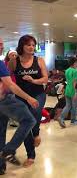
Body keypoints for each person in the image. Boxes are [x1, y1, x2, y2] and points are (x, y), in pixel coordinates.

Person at [9, 35, 48, 167]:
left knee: (35, 113)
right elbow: (6, 78)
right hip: (21, 96)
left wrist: (33, 80)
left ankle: (36, 133)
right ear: (22, 46)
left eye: (33, 45)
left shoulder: (39, 60)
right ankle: (31, 155)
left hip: (38, 94)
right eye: (28, 45)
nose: (31, 47)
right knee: (25, 123)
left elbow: (45, 79)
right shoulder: (15, 62)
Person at [0, 38, 38, 175]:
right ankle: (9, 150)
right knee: (29, 120)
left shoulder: (38, 61)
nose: (1, 47)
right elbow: (10, 84)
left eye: (2, 45)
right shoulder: (3, 64)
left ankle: (0, 166)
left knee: (1, 131)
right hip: (6, 99)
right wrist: (28, 98)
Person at [58, 57, 77, 128]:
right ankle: (72, 120)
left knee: (68, 105)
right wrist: (76, 92)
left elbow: (68, 80)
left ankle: (68, 119)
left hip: (67, 89)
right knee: (74, 106)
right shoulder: (75, 71)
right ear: (74, 63)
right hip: (73, 90)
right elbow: (75, 82)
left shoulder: (67, 70)